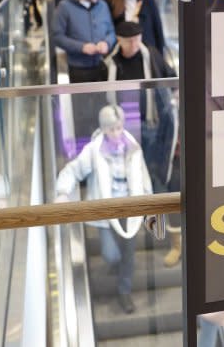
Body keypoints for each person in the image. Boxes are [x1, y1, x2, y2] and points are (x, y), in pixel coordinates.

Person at [55, 104, 152, 314]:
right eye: (112, 129)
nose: (116, 133)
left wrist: (150, 205)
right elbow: (73, 170)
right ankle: (117, 268)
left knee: (129, 254)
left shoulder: (133, 147)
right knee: (110, 255)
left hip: (130, 207)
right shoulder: (94, 150)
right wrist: (63, 191)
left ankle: (124, 291)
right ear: (104, 129)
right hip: (106, 210)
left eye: (119, 127)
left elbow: (143, 176)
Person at [109, 21, 178, 264]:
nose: (135, 44)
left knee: (157, 182)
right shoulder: (111, 65)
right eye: (130, 41)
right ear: (119, 40)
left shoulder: (152, 55)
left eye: (138, 39)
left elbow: (172, 79)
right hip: (125, 134)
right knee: (132, 183)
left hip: (154, 130)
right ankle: (138, 234)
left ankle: (161, 234)